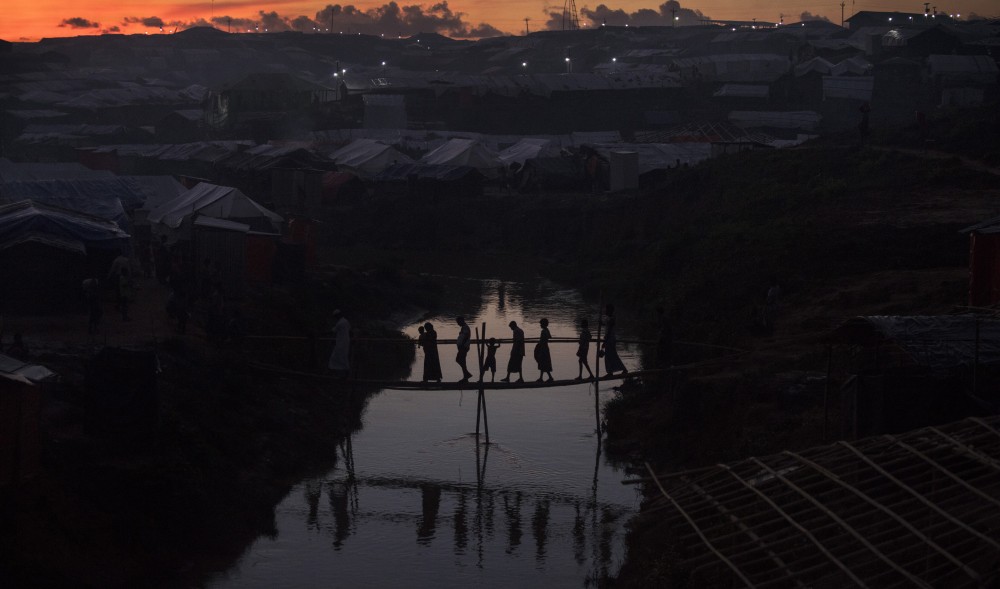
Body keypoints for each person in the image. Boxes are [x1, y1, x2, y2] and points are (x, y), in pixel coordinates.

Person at [601, 304, 627, 376]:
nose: (605, 311)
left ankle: (613, 371)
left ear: (609, 310)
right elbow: (604, 324)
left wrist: (605, 340)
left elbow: (609, 330)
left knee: (611, 355)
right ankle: (611, 371)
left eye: (606, 309)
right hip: (610, 338)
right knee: (610, 355)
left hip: (610, 338)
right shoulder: (609, 318)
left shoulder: (611, 319)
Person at [328, 310, 351, 379]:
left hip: (341, 342)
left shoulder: (340, 323)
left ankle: (344, 373)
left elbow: (333, 331)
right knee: (341, 356)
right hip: (344, 342)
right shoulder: (345, 321)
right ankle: (340, 373)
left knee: (337, 356)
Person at [534, 318, 554, 383]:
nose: (540, 325)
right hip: (545, 348)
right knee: (544, 363)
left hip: (543, 348)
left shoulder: (543, 331)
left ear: (543, 324)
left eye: (541, 324)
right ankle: (542, 378)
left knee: (542, 363)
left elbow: (542, 341)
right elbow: (550, 337)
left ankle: (548, 377)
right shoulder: (547, 330)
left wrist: (539, 346)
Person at [455, 316, 473, 382]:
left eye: (458, 322)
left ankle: (466, 374)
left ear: (462, 321)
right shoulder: (463, 328)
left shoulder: (465, 327)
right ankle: (466, 376)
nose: (458, 324)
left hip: (463, 347)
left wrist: (462, 345)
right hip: (462, 347)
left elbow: (466, 336)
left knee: (459, 359)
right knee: (462, 361)